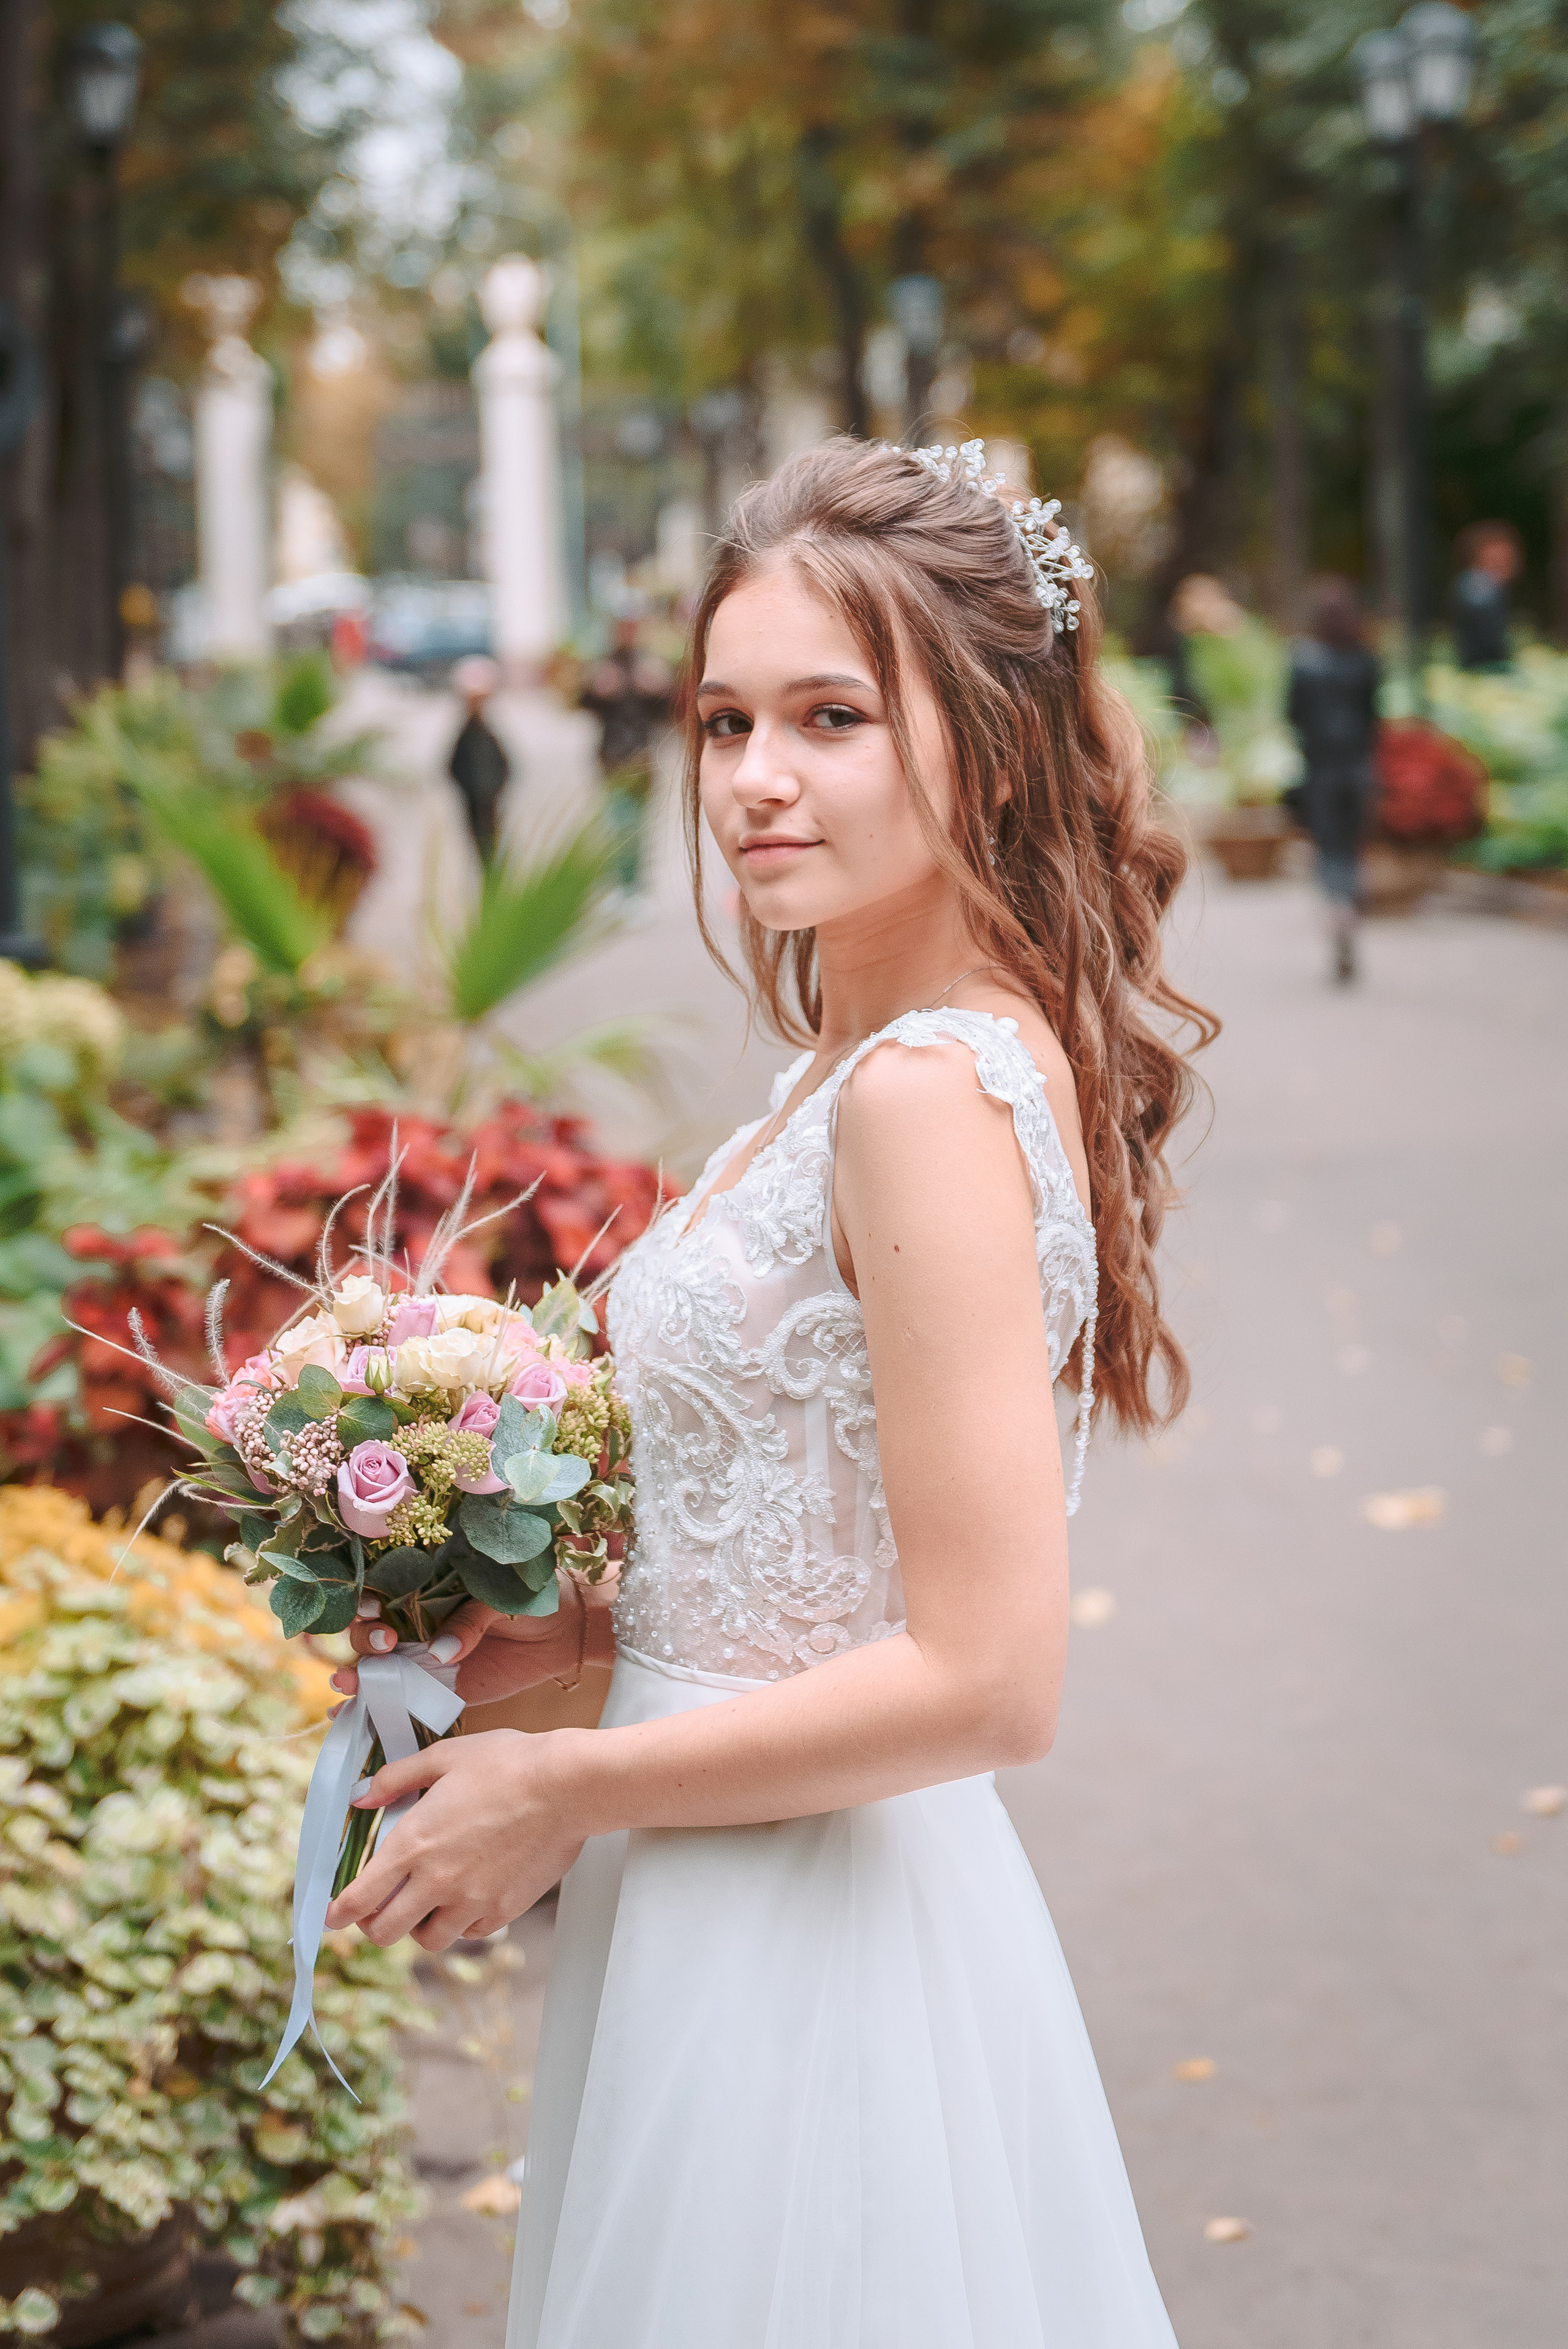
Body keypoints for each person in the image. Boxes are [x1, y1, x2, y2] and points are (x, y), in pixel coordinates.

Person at [327, 437, 1216, 2348]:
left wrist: (560, 1784)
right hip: (719, 1880)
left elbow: (989, 1677)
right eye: (722, 720)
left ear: (979, 738)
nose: (751, 779)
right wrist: (488, 1595)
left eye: (828, 716)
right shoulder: (858, 1064)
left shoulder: (917, 1097)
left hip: (808, 1936)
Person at [1286, 575, 1382, 986]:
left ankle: (1338, 905)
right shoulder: (1366, 658)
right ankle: (1350, 902)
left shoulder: (1304, 661)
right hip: (1358, 766)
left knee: (1327, 847)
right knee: (1352, 843)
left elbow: (1291, 714)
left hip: (1321, 767)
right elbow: (1373, 715)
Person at [578, 613, 674, 892]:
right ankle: (622, 882)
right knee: (617, 822)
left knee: (640, 826)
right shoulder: (603, 665)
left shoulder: (648, 664)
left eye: (632, 628)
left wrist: (660, 689)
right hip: (612, 757)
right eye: (623, 628)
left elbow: (669, 714)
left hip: (643, 757)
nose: (627, 633)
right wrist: (596, 690)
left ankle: (636, 884)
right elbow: (582, 704)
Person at [448, 655, 511, 863]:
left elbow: (505, 764)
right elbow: (452, 767)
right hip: (475, 796)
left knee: (490, 841)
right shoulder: (467, 732)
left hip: (488, 796)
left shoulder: (485, 732)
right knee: (480, 842)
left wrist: (495, 788)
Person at [1449, 520, 1523, 671]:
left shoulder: (1479, 586)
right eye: (1498, 559)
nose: (1507, 564)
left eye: (1509, 559)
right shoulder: (1479, 588)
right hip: (1480, 674)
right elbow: (1490, 646)